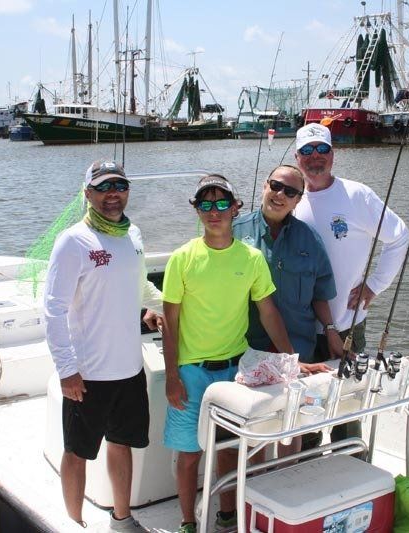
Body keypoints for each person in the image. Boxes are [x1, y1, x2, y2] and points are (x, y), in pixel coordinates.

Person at [161, 174, 297, 533]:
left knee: (229, 449)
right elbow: (170, 323)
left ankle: (226, 515)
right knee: (190, 454)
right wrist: (172, 377)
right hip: (191, 372)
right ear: (197, 211)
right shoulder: (182, 258)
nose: (214, 211)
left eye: (222, 203)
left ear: (236, 208)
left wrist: (290, 362)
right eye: (205, 204)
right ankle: (188, 521)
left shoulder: (251, 259)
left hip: (234, 371)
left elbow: (268, 312)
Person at [44, 159, 162, 531]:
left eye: (120, 186)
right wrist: (67, 370)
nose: (113, 195)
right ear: (87, 194)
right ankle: (73, 521)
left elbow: (141, 286)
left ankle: (122, 517)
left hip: (129, 367)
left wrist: (164, 308)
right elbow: (52, 311)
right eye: (103, 188)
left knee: (122, 443)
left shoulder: (134, 234)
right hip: (87, 373)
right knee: (77, 451)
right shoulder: (73, 241)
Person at [292, 123, 409, 446]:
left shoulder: (357, 195)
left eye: (322, 150)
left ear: (333, 154)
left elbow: (399, 236)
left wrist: (373, 286)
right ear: (296, 157)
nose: (315, 158)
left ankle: (353, 470)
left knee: (348, 408)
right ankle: (308, 471)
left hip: (347, 326)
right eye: (307, 151)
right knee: (306, 414)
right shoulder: (290, 199)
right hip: (301, 329)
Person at [232, 164, 341, 362]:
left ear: (298, 200)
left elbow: (320, 295)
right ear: (265, 187)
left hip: (299, 348)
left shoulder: (310, 239)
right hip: (247, 350)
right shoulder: (233, 232)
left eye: (290, 192)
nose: (280, 194)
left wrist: (331, 330)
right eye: (275, 186)